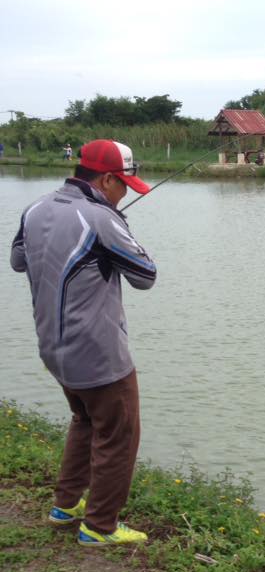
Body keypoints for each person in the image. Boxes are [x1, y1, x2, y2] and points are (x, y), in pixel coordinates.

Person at [10, 139, 157, 546]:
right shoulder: (101, 218)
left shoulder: (35, 208)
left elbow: (19, 260)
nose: (125, 192)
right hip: (98, 353)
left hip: (54, 349)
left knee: (85, 419)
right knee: (118, 433)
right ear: (107, 179)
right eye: (124, 184)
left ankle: (66, 505)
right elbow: (146, 275)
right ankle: (100, 526)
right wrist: (115, 226)